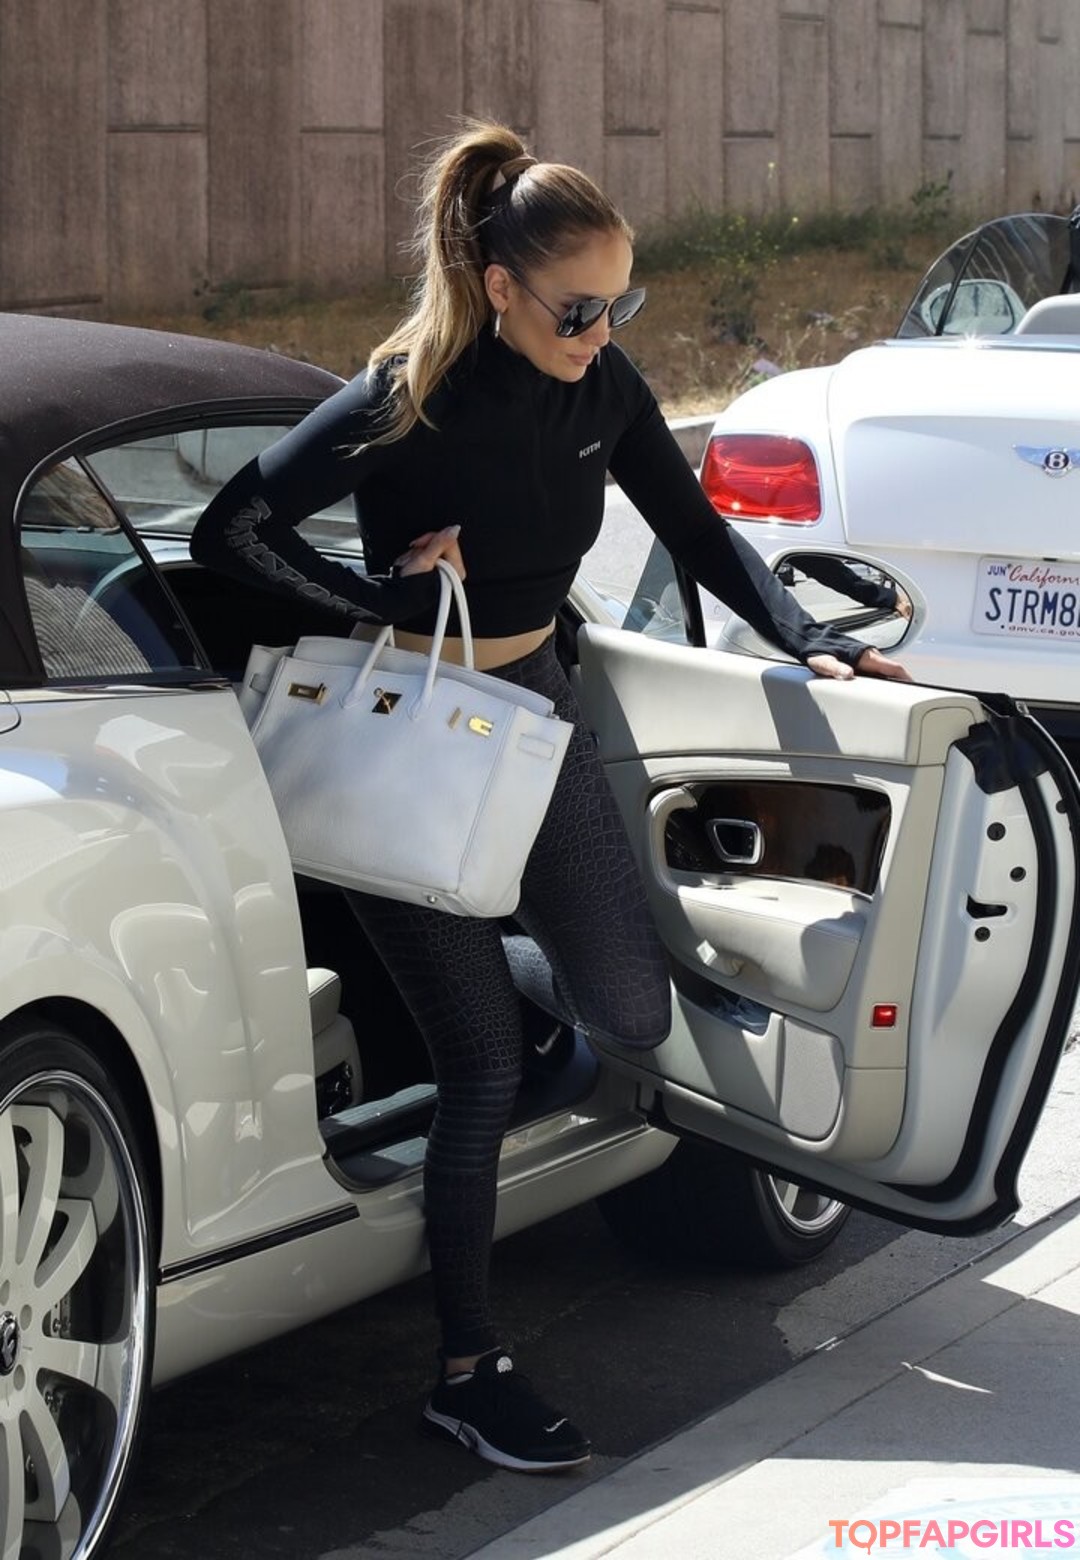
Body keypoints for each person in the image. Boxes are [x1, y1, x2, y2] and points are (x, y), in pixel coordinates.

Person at [191, 119, 909, 1475]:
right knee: (477, 1068)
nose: (601, 331)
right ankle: (471, 1371)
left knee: (628, 1010)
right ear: (500, 286)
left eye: (620, 304)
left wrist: (809, 639)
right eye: (579, 308)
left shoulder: (601, 387)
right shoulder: (408, 393)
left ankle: (500, 964)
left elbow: (695, 531)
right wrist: (380, 597)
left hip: (538, 715)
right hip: (409, 744)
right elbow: (230, 530)